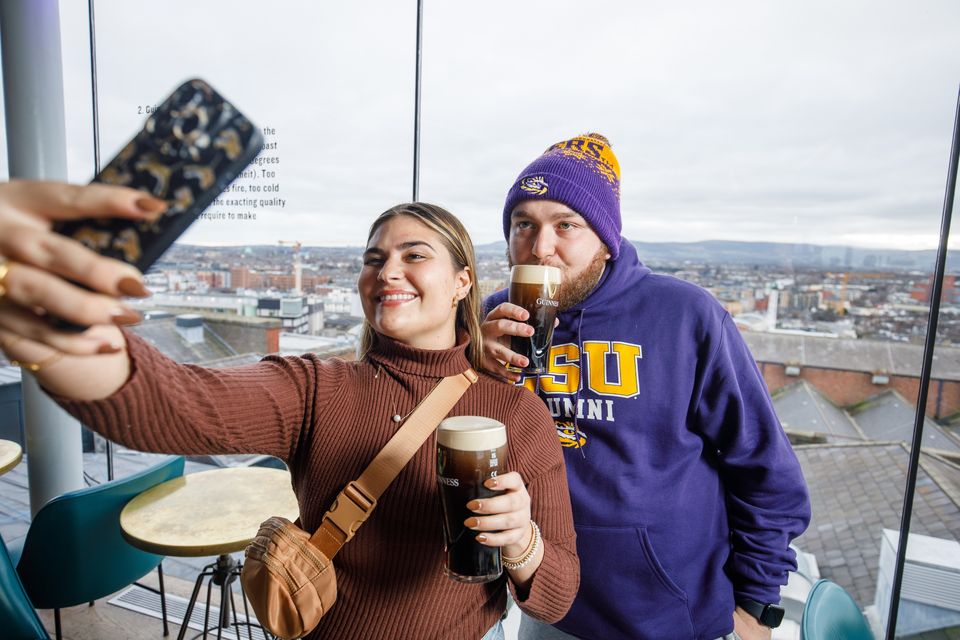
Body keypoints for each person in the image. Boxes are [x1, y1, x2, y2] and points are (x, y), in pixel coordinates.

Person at [0, 181, 579, 640]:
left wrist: (522, 543)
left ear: (462, 283)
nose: (387, 272)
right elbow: (170, 402)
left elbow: (559, 592)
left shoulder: (516, 410)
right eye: (373, 259)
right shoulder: (316, 387)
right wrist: (55, 327)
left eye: (414, 255)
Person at [482, 134, 811, 640]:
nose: (539, 247)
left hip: (672, 614)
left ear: (605, 237)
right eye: (523, 224)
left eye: (565, 224)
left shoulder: (685, 315)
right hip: (548, 603)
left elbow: (767, 471)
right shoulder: (492, 321)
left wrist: (757, 605)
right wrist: (469, 370)